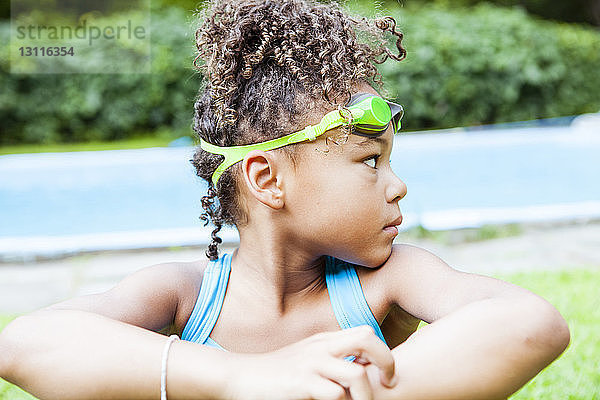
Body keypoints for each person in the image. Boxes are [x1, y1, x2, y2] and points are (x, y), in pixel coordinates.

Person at [0, 0, 570, 399]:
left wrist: (355, 394)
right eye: (370, 161)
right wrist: (240, 380)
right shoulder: (183, 297)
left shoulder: (387, 284)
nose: (398, 185)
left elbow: (529, 322)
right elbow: (25, 344)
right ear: (268, 180)